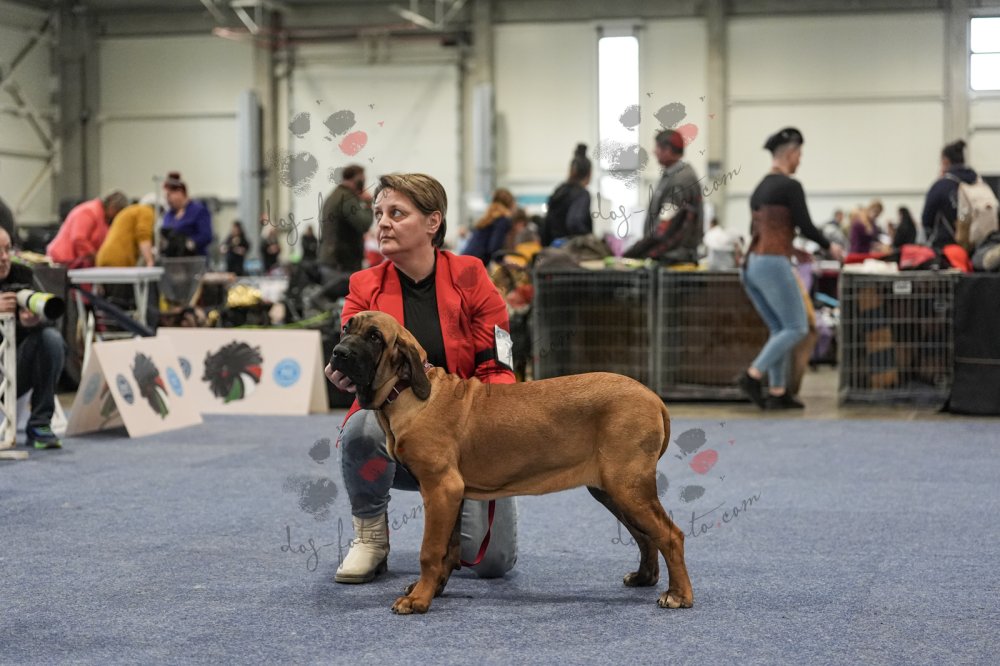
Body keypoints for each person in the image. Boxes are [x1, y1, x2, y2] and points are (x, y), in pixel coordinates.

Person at [325, 172, 518, 584]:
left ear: (433, 222)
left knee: (491, 562)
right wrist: (344, 373)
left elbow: (499, 369)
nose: (383, 223)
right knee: (361, 427)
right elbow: (349, 353)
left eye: (397, 213)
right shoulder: (363, 285)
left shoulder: (473, 276)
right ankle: (371, 537)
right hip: (398, 435)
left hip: (468, 438)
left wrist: (489, 437)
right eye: (379, 213)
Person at [738, 127, 844, 410]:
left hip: (751, 264)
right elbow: (805, 225)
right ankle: (753, 375)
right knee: (797, 327)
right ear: (792, 153)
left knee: (779, 328)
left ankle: (778, 391)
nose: (800, 160)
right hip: (772, 262)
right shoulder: (790, 186)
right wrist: (830, 246)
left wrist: (793, 249)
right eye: (800, 154)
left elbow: (763, 229)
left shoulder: (760, 188)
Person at [0, 227, 65, 448]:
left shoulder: (23, 275)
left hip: (12, 372)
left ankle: (40, 424)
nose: (4, 258)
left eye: (7, 249)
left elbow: (52, 314)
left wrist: (33, 322)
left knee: (51, 339)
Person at [633, 129, 704, 264]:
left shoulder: (681, 180)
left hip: (674, 259)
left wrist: (637, 251)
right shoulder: (673, 176)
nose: (654, 152)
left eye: (657, 148)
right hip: (668, 256)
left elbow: (665, 224)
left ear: (668, 150)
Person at [922, 139, 979, 249]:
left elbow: (926, 220)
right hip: (977, 248)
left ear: (945, 161)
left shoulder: (940, 186)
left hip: (947, 249)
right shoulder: (977, 182)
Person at [46, 191, 128, 267]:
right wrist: (97, 259)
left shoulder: (104, 218)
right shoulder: (88, 211)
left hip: (77, 262)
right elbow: (79, 239)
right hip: (63, 261)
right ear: (113, 207)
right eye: (119, 212)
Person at [320, 165, 372, 273]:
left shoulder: (334, 195)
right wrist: (368, 204)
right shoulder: (347, 198)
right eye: (362, 181)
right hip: (343, 263)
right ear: (356, 180)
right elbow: (364, 224)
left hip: (332, 260)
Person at [542, 144, 592, 246]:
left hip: (552, 248)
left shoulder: (559, 190)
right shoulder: (582, 194)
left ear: (571, 171)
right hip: (570, 249)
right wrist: (589, 239)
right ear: (589, 174)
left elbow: (547, 222)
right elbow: (574, 222)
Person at [161, 172, 213, 257]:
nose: (167, 199)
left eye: (169, 195)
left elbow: (206, 236)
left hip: (194, 259)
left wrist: (189, 243)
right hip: (173, 260)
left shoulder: (199, 211)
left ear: (180, 192)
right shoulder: (168, 215)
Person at [96, 195, 157, 268]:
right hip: (117, 259)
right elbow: (143, 235)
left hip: (105, 257)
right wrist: (149, 261)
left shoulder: (131, 210)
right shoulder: (146, 211)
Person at [462, 188, 516, 264]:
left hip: (465, 259)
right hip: (475, 263)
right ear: (510, 204)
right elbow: (494, 248)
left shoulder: (488, 218)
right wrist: (505, 261)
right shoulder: (503, 220)